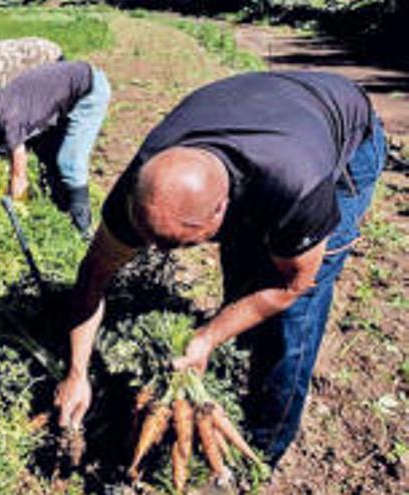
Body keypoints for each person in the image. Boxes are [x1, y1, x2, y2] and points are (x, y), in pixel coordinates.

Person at [53, 71, 386, 467]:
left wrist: (209, 336)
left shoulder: (299, 187)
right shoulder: (143, 186)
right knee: (245, 270)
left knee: (294, 314)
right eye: (152, 239)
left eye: (181, 243)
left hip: (342, 135)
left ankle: (261, 452)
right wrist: (76, 372)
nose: (160, 252)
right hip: (265, 112)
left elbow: (293, 284)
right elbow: (93, 276)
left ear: (223, 208)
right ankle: (240, 365)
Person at [0, 61, 111, 236]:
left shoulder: (11, 121)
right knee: (47, 153)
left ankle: (83, 229)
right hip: (70, 84)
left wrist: (15, 214)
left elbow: (19, 176)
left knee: (69, 162)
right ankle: (61, 207)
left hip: (89, 90)